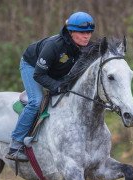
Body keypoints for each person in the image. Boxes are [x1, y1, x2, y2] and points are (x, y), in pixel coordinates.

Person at [6, 11, 95, 162]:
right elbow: (39, 75)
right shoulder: (54, 45)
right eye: (82, 32)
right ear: (71, 31)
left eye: (89, 32)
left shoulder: (86, 47)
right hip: (32, 67)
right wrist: (57, 86)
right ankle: (15, 144)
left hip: (55, 69)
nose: (86, 36)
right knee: (36, 101)